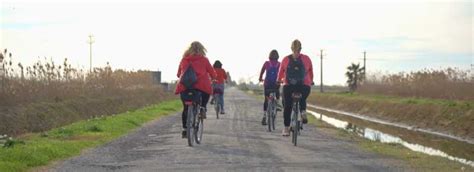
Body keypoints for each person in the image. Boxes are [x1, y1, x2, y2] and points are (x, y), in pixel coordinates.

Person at [175, 41, 216, 138]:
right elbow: (212, 73)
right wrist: (213, 77)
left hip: (185, 87)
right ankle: (202, 108)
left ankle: (185, 129)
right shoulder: (204, 60)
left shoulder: (184, 59)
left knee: (185, 108)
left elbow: (178, 74)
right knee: (206, 91)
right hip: (200, 87)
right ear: (202, 49)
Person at [277, 39, 314, 136]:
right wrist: (310, 81)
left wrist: (278, 80)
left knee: (287, 106)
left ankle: (286, 129)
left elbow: (280, 73)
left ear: (291, 48)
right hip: (304, 86)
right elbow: (310, 72)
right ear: (301, 48)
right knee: (302, 97)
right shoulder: (307, 59)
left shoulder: (285, 59)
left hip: (289, 86)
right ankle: (303, 111)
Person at [258, 49, 281, 125]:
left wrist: (260, 78)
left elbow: (262, 71)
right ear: (277, 56)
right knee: (277, 93)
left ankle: (264, 116)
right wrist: (282, 80)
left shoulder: (267, 63)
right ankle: (277, 103)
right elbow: (282, 73)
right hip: (276, 84)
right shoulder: (279, 64)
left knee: (266, 100)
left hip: (267, 84)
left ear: (270, 56)